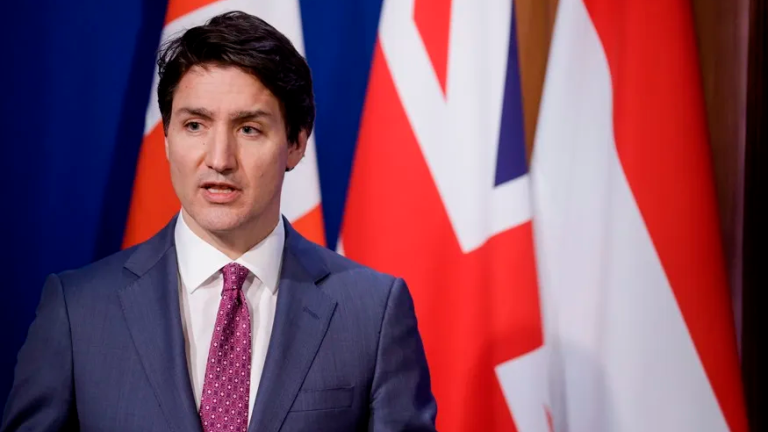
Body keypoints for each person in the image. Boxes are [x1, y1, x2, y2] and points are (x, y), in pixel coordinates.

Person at [1, 11, 437, 432]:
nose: (219, 160)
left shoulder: (373, 312)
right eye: (195, 125)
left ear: (296, 143)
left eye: (249, 128)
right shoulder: (77, 310)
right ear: (168, 138)